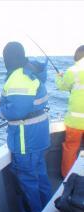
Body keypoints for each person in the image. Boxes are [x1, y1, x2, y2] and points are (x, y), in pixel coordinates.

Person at [0, 42, 52, 212]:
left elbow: (16, 112)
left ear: (7, 58)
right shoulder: (29, 72)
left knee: (28, 182)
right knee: (41, 177)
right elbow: (27, 99)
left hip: (25, 142)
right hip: (39, 138)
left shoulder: (17, 77)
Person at [55, 45, 84, 178]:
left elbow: (62, 86)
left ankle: (67, 178)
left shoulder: (72, 70)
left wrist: (59, 76)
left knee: (70, 149)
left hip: (75, 122)